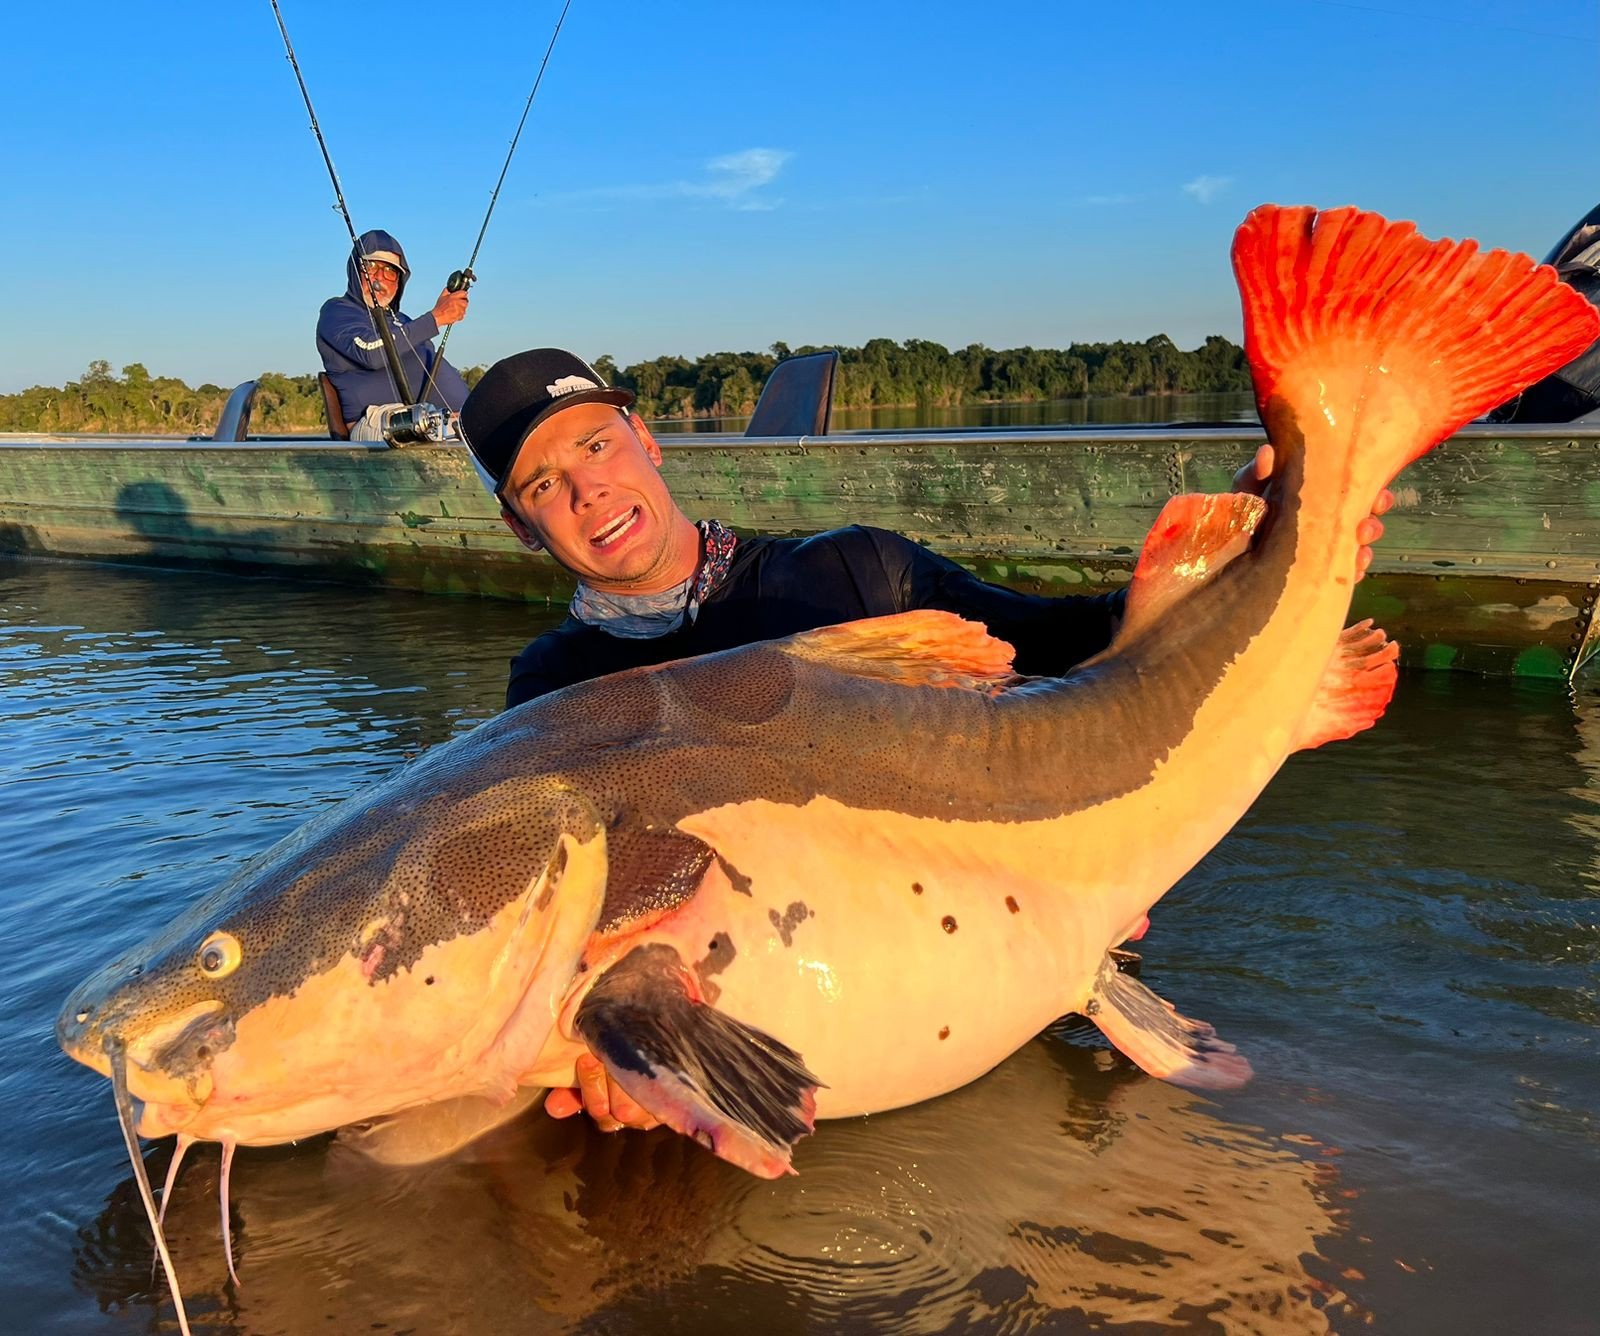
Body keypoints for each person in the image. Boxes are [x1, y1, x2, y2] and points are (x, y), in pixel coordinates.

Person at [458, 347, 1390, 1132]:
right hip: (774, 1057)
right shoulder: (548, 694)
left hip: (1044, 967)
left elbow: (1086, 649)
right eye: (545, 483)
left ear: (647, 441)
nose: (591, 490)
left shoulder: (855, 571)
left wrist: (1254, 567)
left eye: (597, 444)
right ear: (518, 524)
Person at [316, 228, 472, 440]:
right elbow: (371, 353)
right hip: (380, 424)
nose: (380, 277)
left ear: (399, 281)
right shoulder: (337, 312)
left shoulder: (404, 322)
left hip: (434, 420)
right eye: (370, 265)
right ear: (354, 270)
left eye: (390, 270)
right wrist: (435, 318)